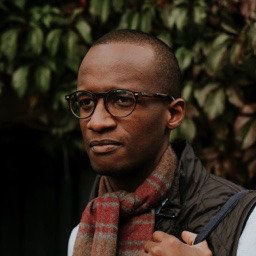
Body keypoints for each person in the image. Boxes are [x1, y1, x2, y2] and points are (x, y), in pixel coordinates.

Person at [65, 29, 256, 256]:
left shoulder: (245, 221)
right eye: (86, 102)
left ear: (173, 114)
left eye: (122, 100)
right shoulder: (84, 233)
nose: (96, 122)